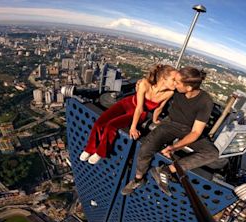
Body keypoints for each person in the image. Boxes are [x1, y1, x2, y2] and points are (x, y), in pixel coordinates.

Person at [121, 66, 219, 196]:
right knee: (146, 148)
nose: (174, 83)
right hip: (170, 123)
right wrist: (142, 82)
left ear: (188, 88)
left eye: (177, 82)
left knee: (212, 153)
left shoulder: (205, 101)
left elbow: (195, 132)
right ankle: (138, 179)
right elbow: (160, 75)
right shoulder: (176, 89)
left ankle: (166, 170)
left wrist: (174, 147)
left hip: (188, 130)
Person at [79, 64, 177, 164]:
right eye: (174, 79)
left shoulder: (169, 93)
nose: (176, 82)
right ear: (163, 78)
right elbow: (139, 106)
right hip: (127, 104)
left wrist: (155, 120)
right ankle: (89, 149)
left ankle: (100, 152)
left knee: (111, 126)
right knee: (100, 122)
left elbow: (159, 108)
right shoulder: (144, 83)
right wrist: (133, 127)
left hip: (140, 114)